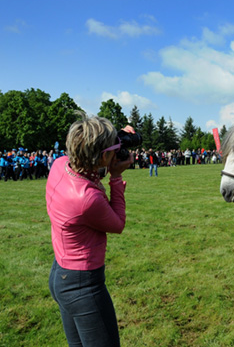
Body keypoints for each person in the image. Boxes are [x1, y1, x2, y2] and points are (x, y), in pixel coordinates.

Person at [46, 115, 134, 347]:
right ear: (104, 155)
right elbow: (117, 224)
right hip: (83, 286)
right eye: (114, 150)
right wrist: (116, 177)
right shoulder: (87, 198)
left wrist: (118, 139)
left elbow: (87, 163)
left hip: (61, 274)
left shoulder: (60, 165)